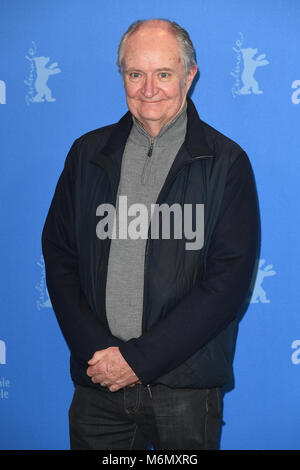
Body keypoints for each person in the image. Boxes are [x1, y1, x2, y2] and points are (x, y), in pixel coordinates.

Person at [42, 18, 260, 450]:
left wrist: (138, 361)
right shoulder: (86, 154)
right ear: (122, 75)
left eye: (163, 74)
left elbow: (227, 283)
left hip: (185, 389)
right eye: (135, 74)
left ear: (189, 74)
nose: (148, 89)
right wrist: (101, 357)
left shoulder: (226, 163)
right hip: (98, 384)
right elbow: (59, 256)